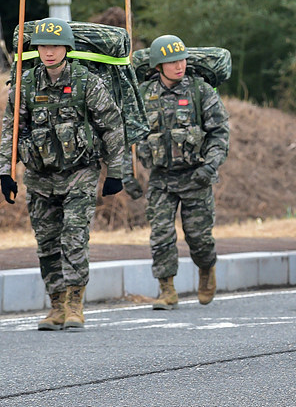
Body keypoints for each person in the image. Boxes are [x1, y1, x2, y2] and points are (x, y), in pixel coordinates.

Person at [0, 18, 125, 330]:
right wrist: (6, 172)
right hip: (40, 176)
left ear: (66, 48)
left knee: (74, 237)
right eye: (43, 46)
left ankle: (74, 303)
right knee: (46, 242)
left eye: (55, 45)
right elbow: (10, 132)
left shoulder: (86, 83)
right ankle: (55, 304)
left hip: (80, 172)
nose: (49, 51)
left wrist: (116, 171)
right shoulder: (26, 85)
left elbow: (112, 125)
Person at [137, 35, 229, 310]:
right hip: (161, 178)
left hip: (196, 177)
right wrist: (128, 174)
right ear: (157, 66)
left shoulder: (201, 92)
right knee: (161, 235)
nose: (179, 66)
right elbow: (131, 134)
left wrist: (210, 166)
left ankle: (206, 268)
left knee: (198, 237)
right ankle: (167, 290)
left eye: (181, 60)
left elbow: (219, 134)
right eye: (171, 62)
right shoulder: (144, 95)